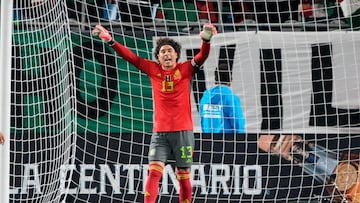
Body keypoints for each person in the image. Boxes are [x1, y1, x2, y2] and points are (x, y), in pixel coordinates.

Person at [92, 23, 217, 203]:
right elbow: (131, 58)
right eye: (163, 52)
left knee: (183, 176)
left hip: (183, 132)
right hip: (159, 134)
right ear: (158, 57)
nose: (166, 53)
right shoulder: (153, 69)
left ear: (176, 54)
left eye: (170, 51)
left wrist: (206, 40)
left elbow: (202, 55)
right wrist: (111, 41)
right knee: (154, 172)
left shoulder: (186, 69)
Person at [199, 63, 245, 134]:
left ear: (215, 78)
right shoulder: (231, 98)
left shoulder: (205, 97)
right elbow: (238, 123)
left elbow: (202, 121)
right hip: (226, 141)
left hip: (207, 140)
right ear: (230, 79)